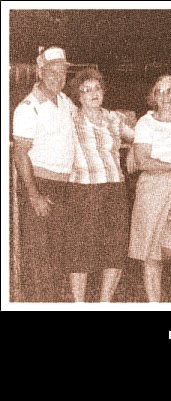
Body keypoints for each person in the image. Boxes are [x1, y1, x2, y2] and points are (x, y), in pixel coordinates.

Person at [64, 68, 134, 302]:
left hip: (114, 188)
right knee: (81, 250)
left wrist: (134, 150)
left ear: (103, 91)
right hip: (84, 189)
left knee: (115, 249)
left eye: (97, 88)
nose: (93, 93)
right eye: (86, 90)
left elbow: (141, 138)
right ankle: (79, 303)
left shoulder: (114, 118)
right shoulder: (70, 118)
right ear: (79, 96)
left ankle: (105, 303)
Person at [13, 46, 76, 302]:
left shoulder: (64, 101)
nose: (59, 78)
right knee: (39, 257)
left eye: (62, 72)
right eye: (53, 72)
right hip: (40, 185)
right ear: (41, 72)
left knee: (58, 254)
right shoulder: (27, 108)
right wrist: (34, 196)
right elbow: (20, 154)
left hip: (63, 185)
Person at [128, 75, 171, 302]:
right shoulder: (145, 123)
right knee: (151, 254)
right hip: (152, 187)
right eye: (161, 91)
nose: (166, 96)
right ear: (154, 96)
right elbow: (143, 161)